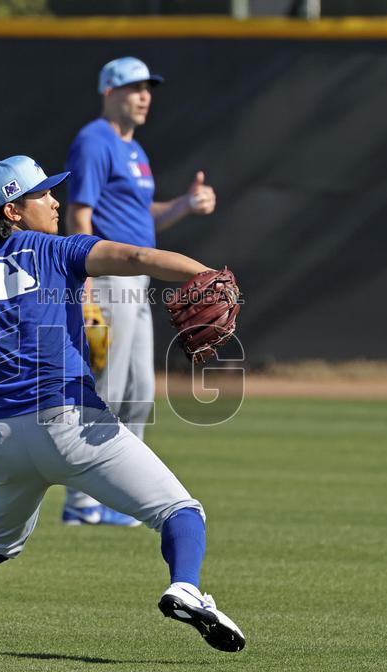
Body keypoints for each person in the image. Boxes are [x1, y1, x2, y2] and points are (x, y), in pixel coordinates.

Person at [0, 155, 245, 654]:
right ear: (12, 210)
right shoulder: (56, 250)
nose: (55, 202)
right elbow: (138, 258)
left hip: (2, 437)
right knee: (180, 511)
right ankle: (185, 586)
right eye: (42, 194)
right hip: (71, 422)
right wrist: (206, 274)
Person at [61, 57, 218, 527]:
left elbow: (142, 219)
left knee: (138, 392)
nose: (145, 96)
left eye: (148, 88)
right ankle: (80, 500)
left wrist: (186, 204)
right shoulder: (95, 140)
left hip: (136, 282)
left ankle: (123, 496)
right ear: (109, 92)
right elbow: (79, 214)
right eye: (134, 88)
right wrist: (83, 286)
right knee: (105, 389)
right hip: (108, 278)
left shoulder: (133, 149)